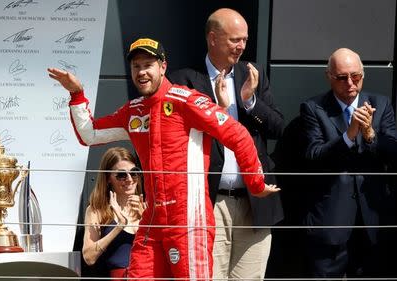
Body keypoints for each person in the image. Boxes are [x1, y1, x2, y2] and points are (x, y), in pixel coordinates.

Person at [48, 37, 280, 280]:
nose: (141, 72)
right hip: (153, 219)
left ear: (163, 67)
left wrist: (254, 182)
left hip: (189, 220)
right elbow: (90, 134)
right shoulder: (134, 110)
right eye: (136, 66)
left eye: (148, 64)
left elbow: (238, 134)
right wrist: (76, 94)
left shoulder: (187, 101)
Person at [168, 8, 284, 280]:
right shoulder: (183, 80)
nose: (242, 46)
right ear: (212, 38)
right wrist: (217, 110)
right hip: (210, 201)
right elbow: (177, 137)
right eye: (235, 40)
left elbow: (279, 127)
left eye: (244, 39)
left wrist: (249, 102)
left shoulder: (253, 74)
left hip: (255, 204)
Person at [299, 47, 397, 278]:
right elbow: (314, 156)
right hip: (331, 222)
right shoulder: (314, 108)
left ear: (363, 75)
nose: (350, 84)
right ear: (329, 77)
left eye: (356, 76)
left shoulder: (380, 104)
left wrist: (370, 134)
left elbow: (393, 152)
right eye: (342, 78)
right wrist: (349, 136)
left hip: (372, 222)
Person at [82, 147, 144, 281]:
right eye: (121, 175)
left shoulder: (146, 206)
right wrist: (118, 227)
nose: (129, 179)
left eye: (134, 173)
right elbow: (89, 257)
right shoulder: (97, 210)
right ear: (108, 178)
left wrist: (144, 220)